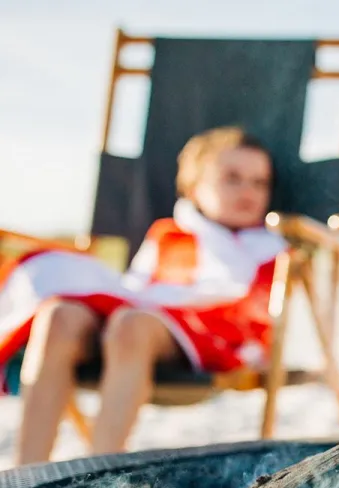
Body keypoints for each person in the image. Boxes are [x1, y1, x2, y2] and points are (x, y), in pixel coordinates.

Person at [2, 126, 286, 463]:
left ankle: (99, 475)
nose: (248, 191)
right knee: (58, 314)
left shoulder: (268, 246)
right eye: (232, 178)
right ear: (193, 189)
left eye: (259, 182)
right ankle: (26, 471)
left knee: (131, 324)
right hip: (135, 323)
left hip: (205, 335)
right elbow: (138, 286)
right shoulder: (168, 233)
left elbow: (251, 313)